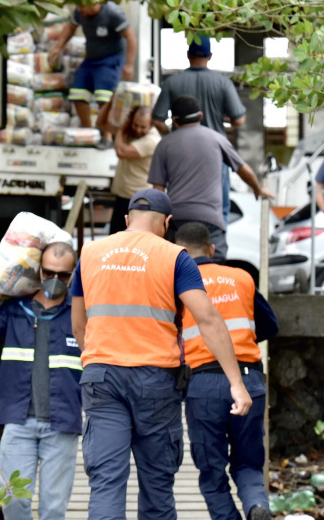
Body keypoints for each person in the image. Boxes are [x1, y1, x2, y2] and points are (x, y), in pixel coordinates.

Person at [70, 188, 253, 520]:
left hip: (102, 377)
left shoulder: (90, 253)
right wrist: (236, 383)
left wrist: (97, 359)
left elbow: (78, 324)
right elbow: (209, 320)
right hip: (154, 382)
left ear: (126, 220)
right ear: (167, 223)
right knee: (156, 484)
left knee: (106, 483)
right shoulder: (175, 257)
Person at [0, 242, 82, 520]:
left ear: (73, 273)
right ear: (39, 270)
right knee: (12, 500)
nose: (55, 279)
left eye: (63, 274)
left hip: (62, 423)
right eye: (49, 272)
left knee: (53, 509)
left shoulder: (79, 313)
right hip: (18, 423)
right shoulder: (16, 309)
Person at [175, 222, 279, 520]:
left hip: (203, 384)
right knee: (248, 463)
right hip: (249, 381)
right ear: (212, 249)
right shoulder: (241, 277)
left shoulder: (177, 281)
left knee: (211, 469)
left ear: (179, 252)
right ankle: (256, 505)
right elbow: (270, 325)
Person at [148, 96, 274, 262]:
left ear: (175, 121)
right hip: (210, 218)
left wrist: (156, 225)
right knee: (214, 267)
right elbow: (244, 170)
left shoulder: (164, 144)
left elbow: (158, 191)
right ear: (201, 116)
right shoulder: (217, 139)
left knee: (174, 267)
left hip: (177, 219)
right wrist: (257, 188)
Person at [151, 36, 247, 225]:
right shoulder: (222, 83)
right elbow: (239, 119)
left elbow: (157, 119)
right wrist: (224, 117)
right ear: (210, 56)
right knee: (220, 210)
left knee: (180, 202)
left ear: (188, 55)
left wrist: (172, 137)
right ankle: (215, 246)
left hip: (181, 154)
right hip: (215, 155)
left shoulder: (172, 82)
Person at [49, 0, 137, 135]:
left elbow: (130, 37)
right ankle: (88, 131)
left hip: (110, 60)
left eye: (83, 6)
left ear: (95, 2)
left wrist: (129, 65)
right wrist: (59, 46)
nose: (80, 10)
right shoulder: (79, 12)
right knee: (78, 94)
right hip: (91, 59)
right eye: (78, 6)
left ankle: (106, 136)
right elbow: (71, 27)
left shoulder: (113, 13)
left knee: (103, 97)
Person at [96, 101, 162, 234]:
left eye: (143, 127)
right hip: (123, 198)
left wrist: (121, 128)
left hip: (140, 202)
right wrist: (111, 102)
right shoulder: (129, 132)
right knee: (116, 241)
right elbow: (101, 123)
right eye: (136, 125)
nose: (138, 130)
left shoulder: (152, 140)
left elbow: (122, 152)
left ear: (151, 125)